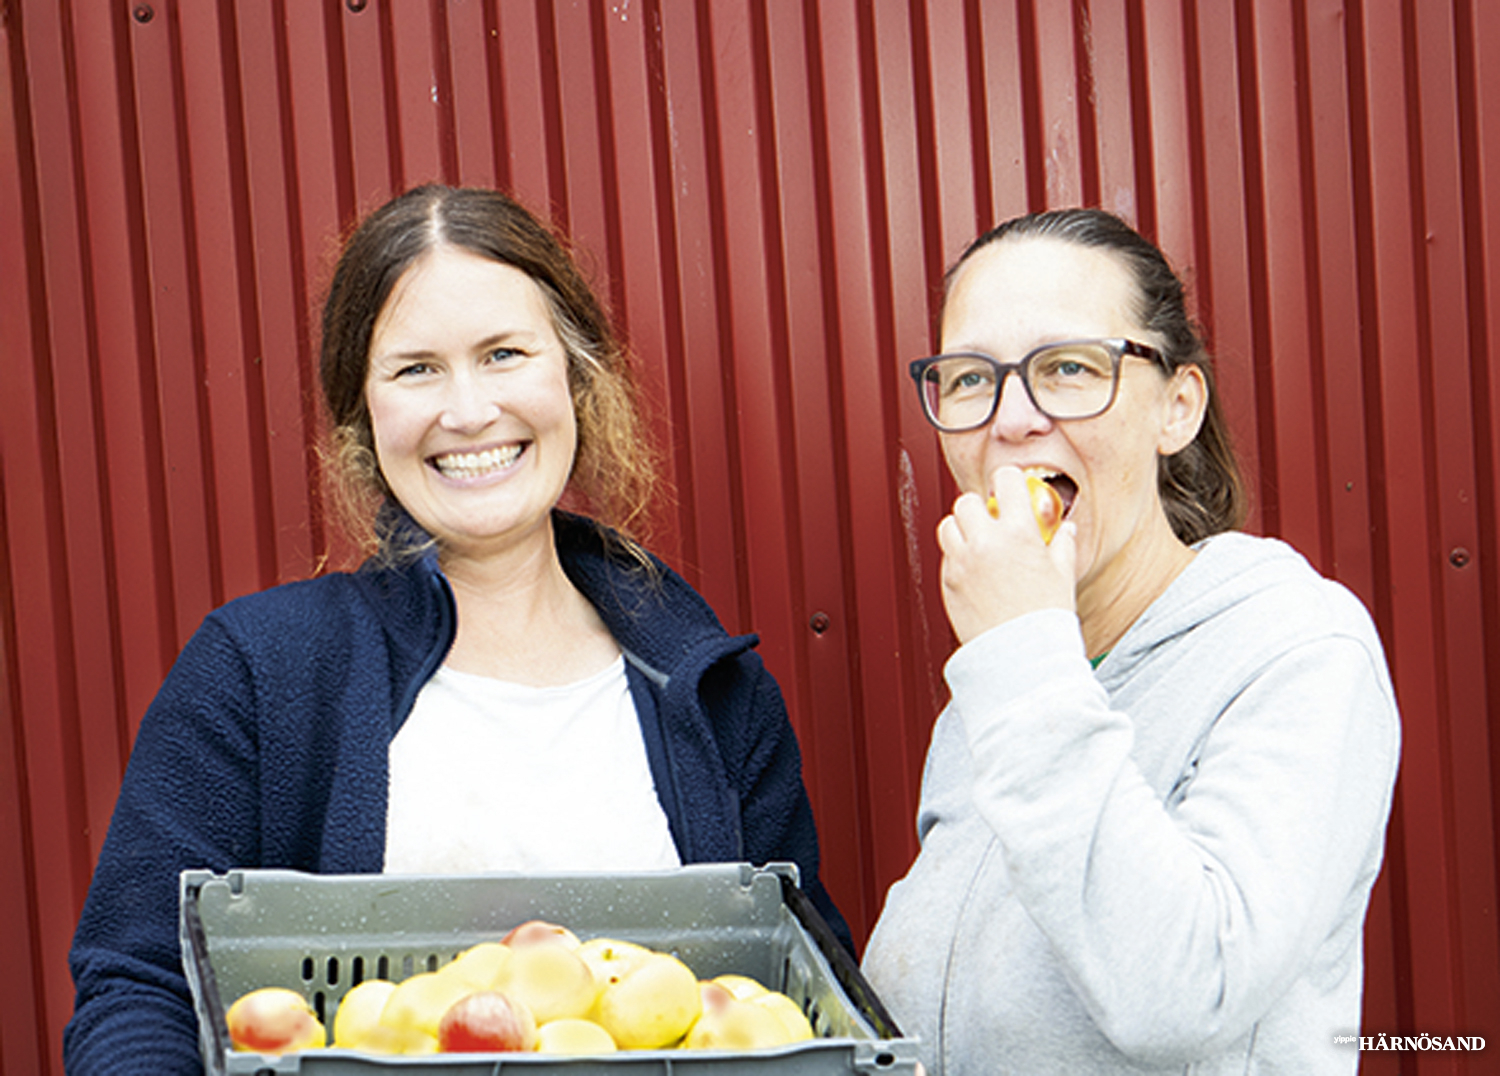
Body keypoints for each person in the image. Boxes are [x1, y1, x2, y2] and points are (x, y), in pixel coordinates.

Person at [64, 183, 849, 1074]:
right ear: (364, 412)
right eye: (416, 368)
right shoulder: (260, 671)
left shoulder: (710, 689)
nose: (468, 411)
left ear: (575, 377)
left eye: (505, 353)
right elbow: (139, 984)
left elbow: (808, 992)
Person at [862, 208, 1399, 1075]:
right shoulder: (1001, 686)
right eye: (968, 379)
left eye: (1069, 368)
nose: (1012, 418)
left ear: (1177, 407)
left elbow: (1186, 993)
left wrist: (1021, 658)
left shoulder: (1297, 649)